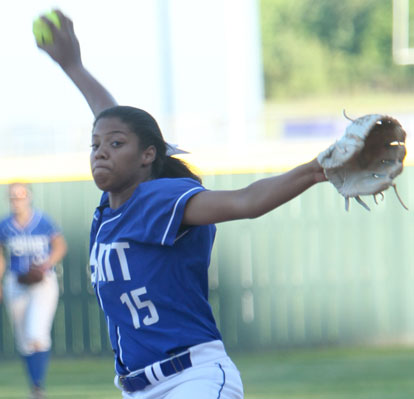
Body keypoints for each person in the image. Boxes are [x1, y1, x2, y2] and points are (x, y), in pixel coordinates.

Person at [36, 11, 326, 399]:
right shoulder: (111, 210)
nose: (101, 151)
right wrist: (73, 66)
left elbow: (247, 202)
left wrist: (316, 170)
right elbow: (114, 121)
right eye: (95, 145)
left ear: (147, 156)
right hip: (137, 387)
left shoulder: (160, 198)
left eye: (115, 144)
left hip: (193, 379)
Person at [0, 182, 67, 399]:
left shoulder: (43, 220)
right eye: (13, 196)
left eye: (21, 196)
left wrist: (46, 264)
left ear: (29, 197)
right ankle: (34, 386)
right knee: (22, 338)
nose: (17, 200)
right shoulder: (5, 225)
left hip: (42, 282)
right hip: (16, 281)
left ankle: (38, 387)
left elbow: (60, 246)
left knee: (36, 333)